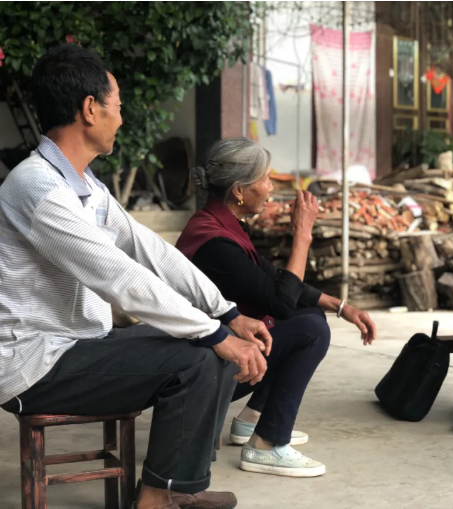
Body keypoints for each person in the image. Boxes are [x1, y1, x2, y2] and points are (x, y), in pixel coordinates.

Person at [0, 44, 274, 509]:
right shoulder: (38, 188)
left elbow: (149, 249)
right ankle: (155, 499)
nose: (122, 118)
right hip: (34, 364)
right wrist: (213, 333)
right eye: (118, 106)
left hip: (79, 343)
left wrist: (224, 313)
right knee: (200, 357)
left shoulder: (84, 186)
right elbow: (121, 278)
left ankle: (177, 488)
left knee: (213, 345)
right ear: (90, 109)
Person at [175, 138, 378, 477]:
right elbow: (281, 302)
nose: (271, 187)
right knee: (310, 330)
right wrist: (303, 236)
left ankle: (252, 419)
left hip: (216, 350)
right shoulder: (215, 243)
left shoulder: (220, 223)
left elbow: (273, 281)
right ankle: (267, 445)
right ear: (239, 190)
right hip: (202, 364)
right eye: (266, 178)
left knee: (309, 316)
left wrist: (342, 307)